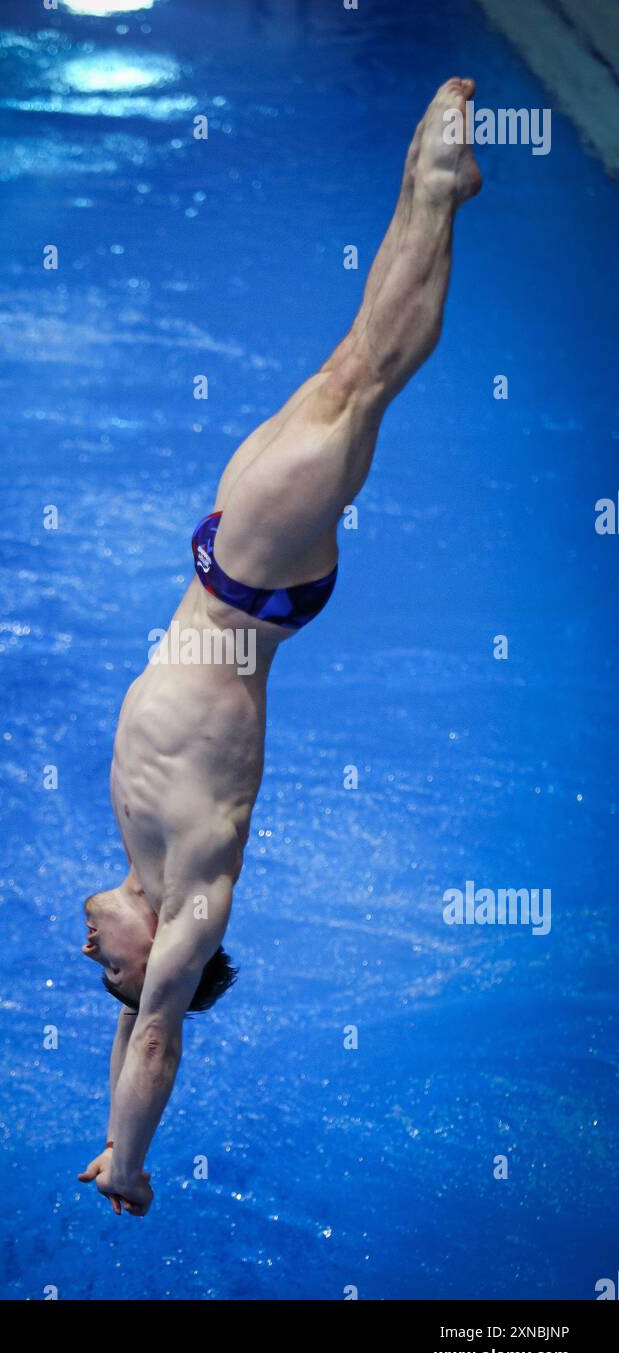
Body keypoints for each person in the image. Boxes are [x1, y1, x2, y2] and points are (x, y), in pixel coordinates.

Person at [78, 79, 482, 1216]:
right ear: (157, 952)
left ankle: (435, 190)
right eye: (106, 967)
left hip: (236, 575)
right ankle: (438, 189)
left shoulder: (159, 887)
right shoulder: (193, 899)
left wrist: (103, 1132)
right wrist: (133, 1164)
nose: (88, 955)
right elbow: (156, 1031)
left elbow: (130, 1021)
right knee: (366, 378)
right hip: (248, 579)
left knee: (355, 370)